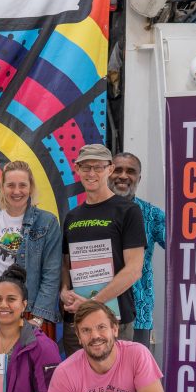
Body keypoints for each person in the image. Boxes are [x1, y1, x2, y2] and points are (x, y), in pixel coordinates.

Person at [59, 144, 146, 356]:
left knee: (115, 386)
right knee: (79, 385)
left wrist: (93, 302)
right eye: (86, 167)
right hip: (78, 320)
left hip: (113, 319)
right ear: (77, 169)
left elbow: (134, 269)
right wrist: (63, 291)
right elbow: (66, 262)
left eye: (98, 167)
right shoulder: (72, 216)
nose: (91, 173)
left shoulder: (128, 211)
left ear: (110, 169)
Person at [0, 161, 62, 339]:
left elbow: (52, 273)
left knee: (30, 364)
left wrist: (38, 318)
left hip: (30, 307)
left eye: (22, 185)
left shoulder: (47, 222)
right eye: (10, 185)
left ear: (31, 187)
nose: (16, 191)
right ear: (2, 187)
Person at [109, 152, 165, 350]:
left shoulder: (151, 214)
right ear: (108, 172)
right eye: (117, 169)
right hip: (99, 307)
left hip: (138, 312)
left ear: (138, 178)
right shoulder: (90, 211)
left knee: (135, 375)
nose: (123, 176)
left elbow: (180, 246)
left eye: (130, 171)